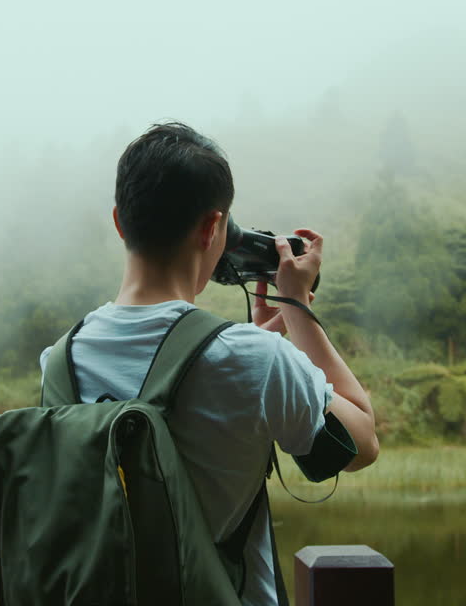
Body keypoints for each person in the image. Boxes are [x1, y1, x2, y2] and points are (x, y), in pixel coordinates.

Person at [38, 122, 379, 606]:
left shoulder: (58, 362)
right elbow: (361, 441)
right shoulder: (255, 361)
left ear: (119, 222)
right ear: (210, 228)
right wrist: (297, 309)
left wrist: (252, 346)